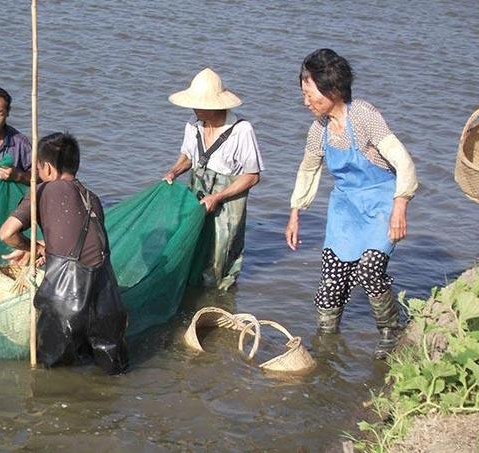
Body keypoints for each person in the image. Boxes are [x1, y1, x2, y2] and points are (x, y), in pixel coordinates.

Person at [285, 49, 418, 359]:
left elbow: (404, 162)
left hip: (380, 202)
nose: (306, 102)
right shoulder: (319, 130)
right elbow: (308, 169)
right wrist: (295, 213)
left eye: (310, 94)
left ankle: (390, 331)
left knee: (370, 269)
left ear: (332, 89)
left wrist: (400, 207)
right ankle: (326, 346)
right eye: (303, 94)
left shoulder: (364, 117)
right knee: (331, 280)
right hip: (345, 210)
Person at [0, 132, 128, 374]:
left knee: (53, 380)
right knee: (112, 378)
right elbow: (78, 243)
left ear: (46, 167)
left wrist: (32, 247)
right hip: (108, 306)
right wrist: (45, 248)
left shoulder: (43, 189)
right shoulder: (94, 199)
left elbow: (7, 233)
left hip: (66, 306)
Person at [163, 68, 265, 291]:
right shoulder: (193, 124)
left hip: (227, 203)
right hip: (198, 195)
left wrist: (218, 196)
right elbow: (188, 157)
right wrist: (173, 172)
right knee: (193, 249)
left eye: (198, 104)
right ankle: (194, 300)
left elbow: (252, 176)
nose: (193, 107)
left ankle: (219, 304)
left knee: (220, 256)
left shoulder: (241, 130)